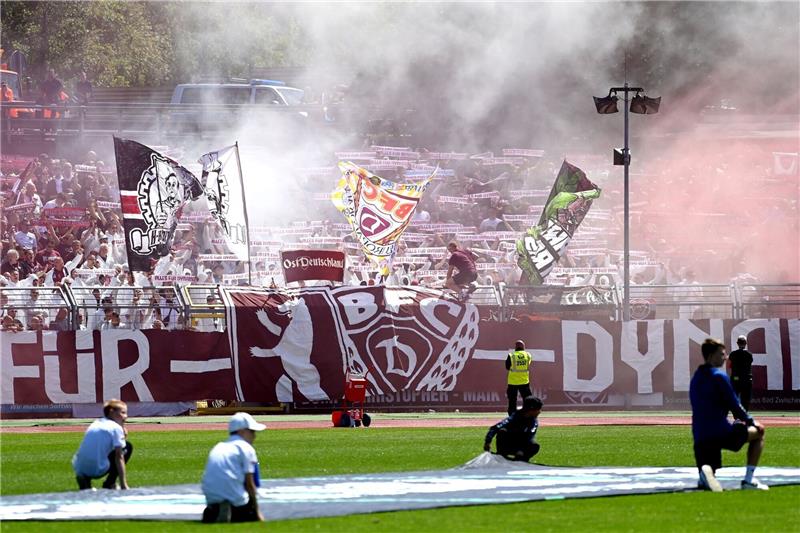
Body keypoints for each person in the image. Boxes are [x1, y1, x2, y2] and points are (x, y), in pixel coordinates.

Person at [689, 338, 767, 492]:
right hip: (720, 432)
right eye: (722, 354)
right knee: (759, 433)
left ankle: (704, 473)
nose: (725, 358)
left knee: (710, 467)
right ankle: (748, 481)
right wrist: (751, 422)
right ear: (711, 355)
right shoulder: (719, 376)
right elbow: (735, 406)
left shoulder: (696, 377)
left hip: (699, 436)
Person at [201, 412, 266, 523]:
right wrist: (258, 513)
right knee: (249, 506)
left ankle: (216, 510)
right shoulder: (246, 448)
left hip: (211, 500)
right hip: (235, 501)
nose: (254, 435)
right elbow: (250, 485)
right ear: (242, 431)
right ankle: (231, 508)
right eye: (252, 431)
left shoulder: (218, 446)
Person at [72, 399, 132, 490]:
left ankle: (85, 479)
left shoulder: (96, 423)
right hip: (97, 469)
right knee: (127, 447)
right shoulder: (115, 428)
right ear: (112, 412)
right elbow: (119, 456)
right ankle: (110, 483)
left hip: (78, 467)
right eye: (123, 413)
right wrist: (124, 484)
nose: (126, 416)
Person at [484, 396, 543, 462]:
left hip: (522, 443)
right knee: (502, 431)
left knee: (535, 446)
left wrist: (521, 450)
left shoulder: (534, 422)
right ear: (531, 409)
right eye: (538, 409)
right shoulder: (515, 417)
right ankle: (502, 454)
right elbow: (496, 427)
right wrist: (488, 442)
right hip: (509, 443)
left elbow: (529, 437)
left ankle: (522, 458)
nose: (539, 412)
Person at [505, 340, 533, 415]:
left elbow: (507, 367)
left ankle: (512, 416)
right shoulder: (528, 355)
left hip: (512, 382)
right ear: (523, 347)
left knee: (512, 400)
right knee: (527, 399)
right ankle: (528, 414)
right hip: (524, 381)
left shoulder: (511, 355)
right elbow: (528, 364)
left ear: (515, 347)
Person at [728, 335, 754, 410]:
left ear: (737, 343)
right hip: (746, 379)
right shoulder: (749, 354)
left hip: (736, 378)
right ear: (745, 343)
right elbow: (749, 364)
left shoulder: (733, 354)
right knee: (745, 399)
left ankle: (736, 417)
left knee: (734, 398)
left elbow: (729, 366)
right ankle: (744, 416)